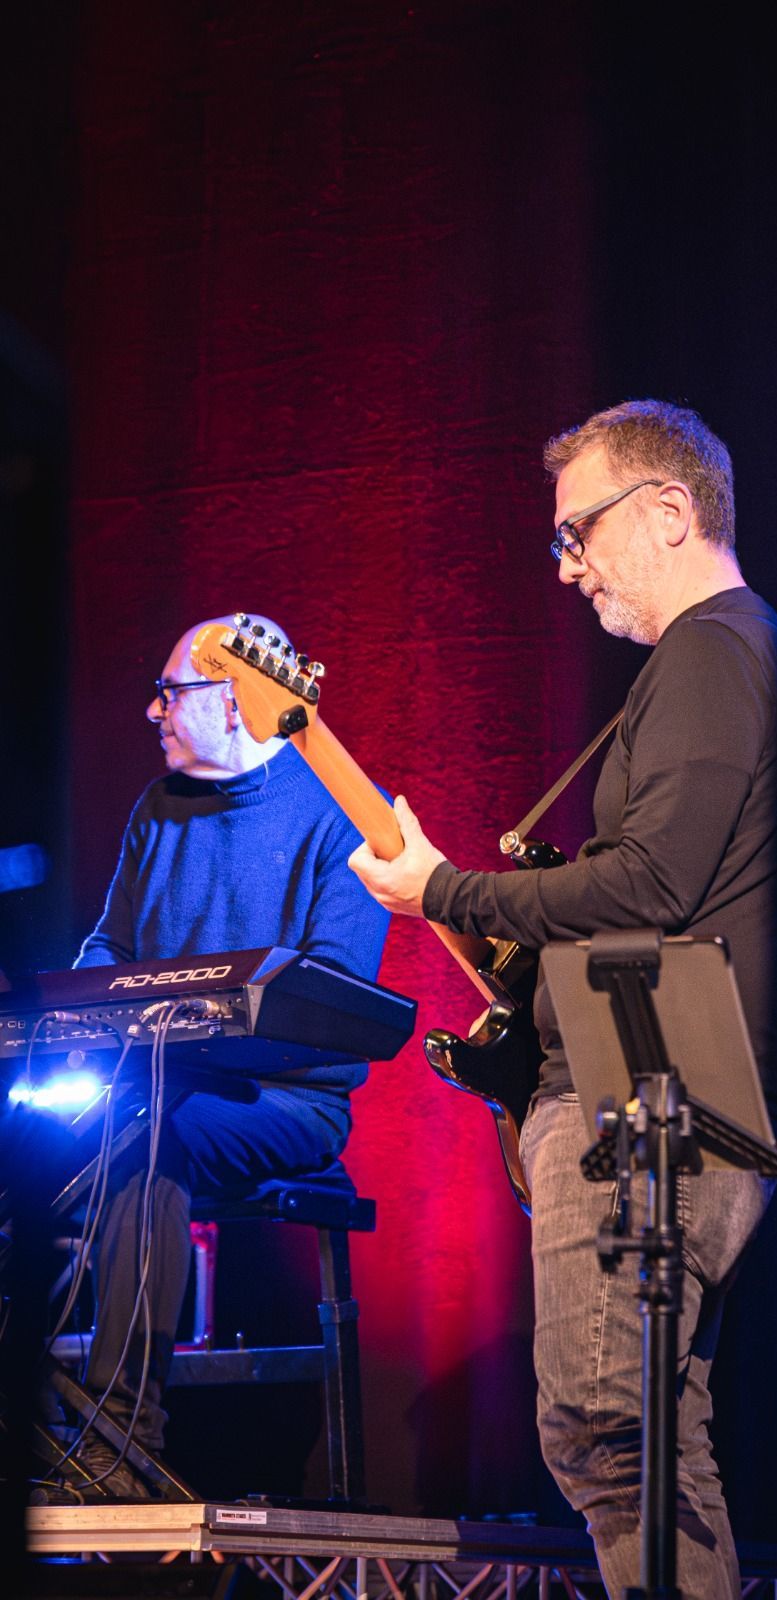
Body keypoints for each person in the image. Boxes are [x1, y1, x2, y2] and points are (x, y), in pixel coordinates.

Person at [349, 401, 777, 1600]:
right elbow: (651, 890)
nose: (567, 566)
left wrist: (443, 889)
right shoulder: (723, 657)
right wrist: (465, 908)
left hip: (652, 1093)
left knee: (606, 1433)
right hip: (663, 1077)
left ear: (672, 512)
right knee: (641, 1442)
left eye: (580, 531)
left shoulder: (717, 649)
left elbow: (657, 880)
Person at [55, 614, 389, 1500]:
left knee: (152, 1136)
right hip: (156, 1086)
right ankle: (48, 1414)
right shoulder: (157, 810)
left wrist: (193, 1027)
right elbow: (108, 950)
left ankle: (119, 1442)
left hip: (283, 1101)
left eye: (172, 693)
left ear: (234, 701)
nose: (153, 710)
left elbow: (336, 1009)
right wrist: (86, 1014)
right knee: (40, 1143)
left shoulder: (340, 818)